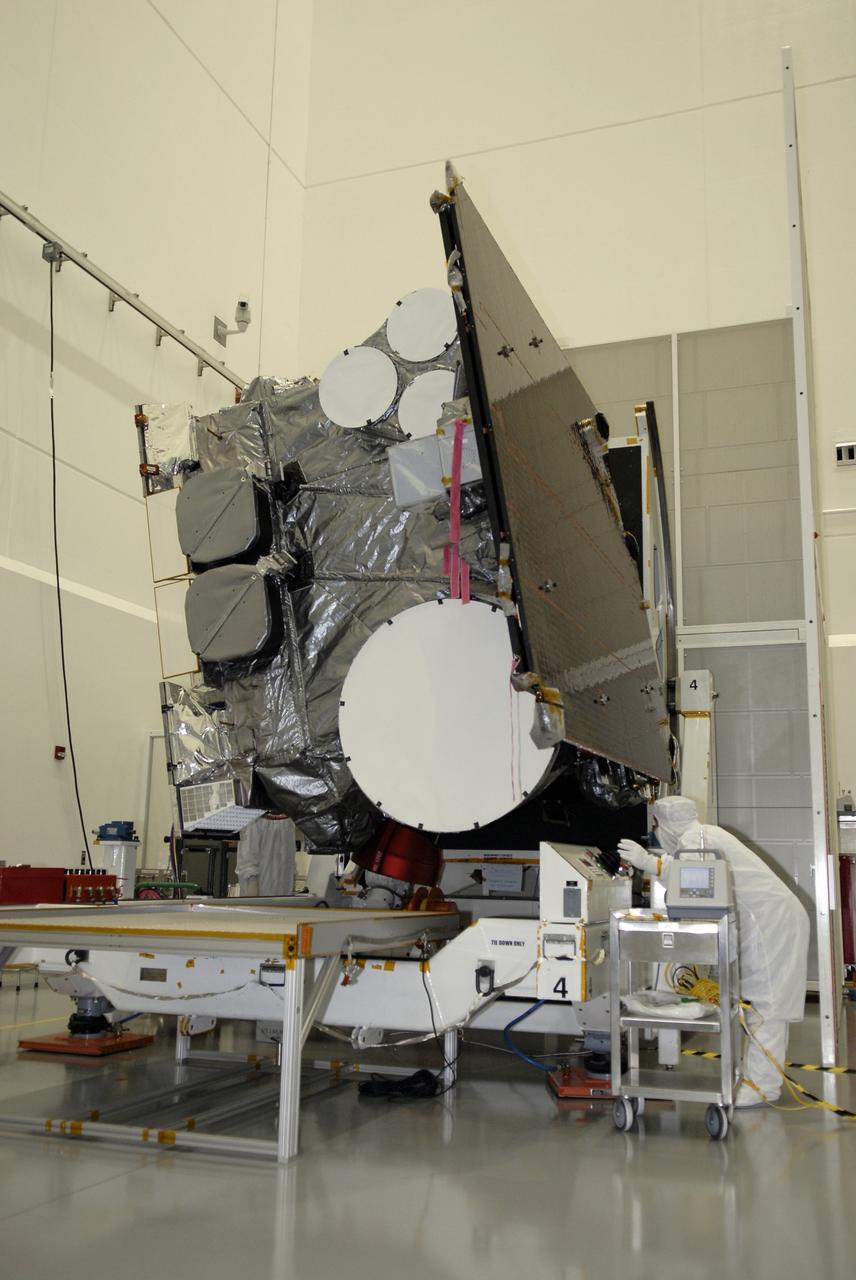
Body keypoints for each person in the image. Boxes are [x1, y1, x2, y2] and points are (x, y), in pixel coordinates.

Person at [618, 795, 810, 1106]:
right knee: (761, 1004)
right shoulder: (703, 835)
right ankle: (755, 1079)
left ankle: (762, 1088)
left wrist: (649, 863)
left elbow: (691, 879)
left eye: (656, 825)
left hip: (772, 923)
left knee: (767, 1005)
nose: (656, 832)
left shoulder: (698, 837)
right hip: (767, 921)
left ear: (667, 822)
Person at [236, 813, 297, 898]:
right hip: (260, 898)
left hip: (283, 897)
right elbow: (248, 862)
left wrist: (292, 887)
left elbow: (290, 859)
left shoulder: (287, 820)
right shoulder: (254, 819)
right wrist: (252, 896)